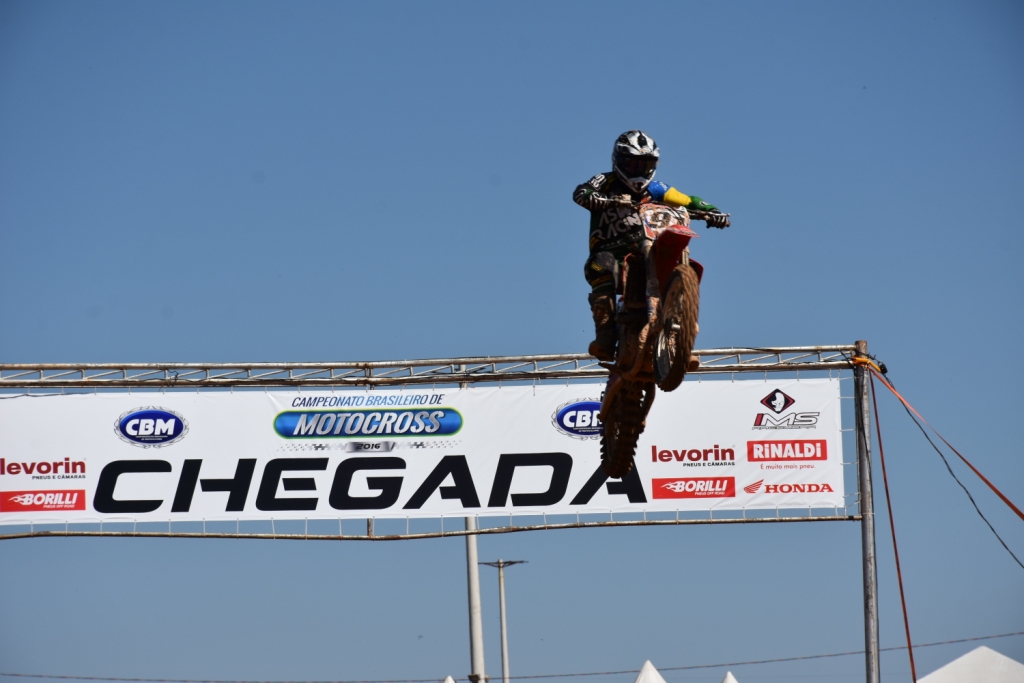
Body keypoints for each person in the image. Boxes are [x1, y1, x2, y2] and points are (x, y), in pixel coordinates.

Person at [573, 130, 729, 361]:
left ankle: (680, 341)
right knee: (599, 267)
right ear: (618, 161)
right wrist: (594, 198)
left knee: (676, 264)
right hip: (610, 254)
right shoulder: (606, 181)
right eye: (632, 163)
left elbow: (687, 200)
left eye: (643, 165)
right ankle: (605, 335)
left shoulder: (657, 189)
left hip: (646, 251)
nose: (637, 170)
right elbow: (582, 191)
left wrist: (712, 211)